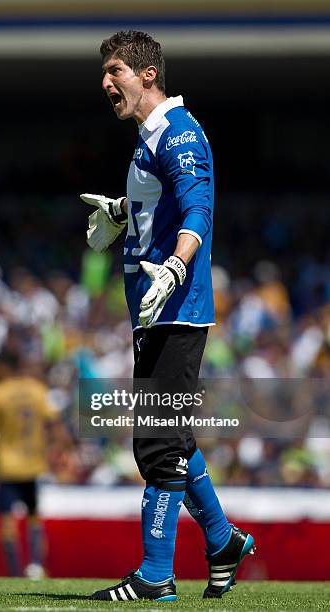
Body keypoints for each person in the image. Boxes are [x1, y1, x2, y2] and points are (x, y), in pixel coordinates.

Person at [80, 30, 255, 602]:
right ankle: (223, 542)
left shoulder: (178, 132)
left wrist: (176, 267)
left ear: (147, 73)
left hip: (176, 309)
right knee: (173, 437)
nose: (106, 83)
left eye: (115, 71)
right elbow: (165, 203)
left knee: (157, 444)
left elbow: (199, 209)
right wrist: (122, 213)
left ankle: (156, 574)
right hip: (157, 312)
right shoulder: (152, 137)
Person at [0, 349, 61, 579]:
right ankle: (36, 566)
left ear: (4, 367)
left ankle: (15, 572)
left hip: (8, 464)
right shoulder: (37, 389)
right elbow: (54, 422)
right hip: (33, 462)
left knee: (7, 521)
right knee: (35, 516)